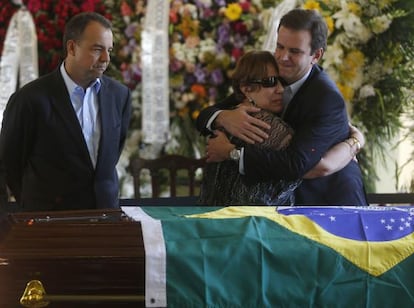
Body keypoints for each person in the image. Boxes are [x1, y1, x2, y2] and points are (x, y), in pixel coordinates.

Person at [197, 9, 367, 206]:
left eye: (294, 51)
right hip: (283, 201)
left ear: (316, 55)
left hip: (329, 200)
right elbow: (207, 115)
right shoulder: (271, 72)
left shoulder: (326, 99)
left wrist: (231, 152)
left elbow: (297, 164)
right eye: (280, 47)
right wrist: (223, 117)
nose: (282, 57)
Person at [0, 12, 132, 211]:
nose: (106, 58)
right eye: (97, 49)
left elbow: (111, 156)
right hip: (49, 221)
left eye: (109, 50)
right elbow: (9, 164)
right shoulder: (30, 99)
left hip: (106, 216)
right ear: (72, 47)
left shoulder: (119, 95)